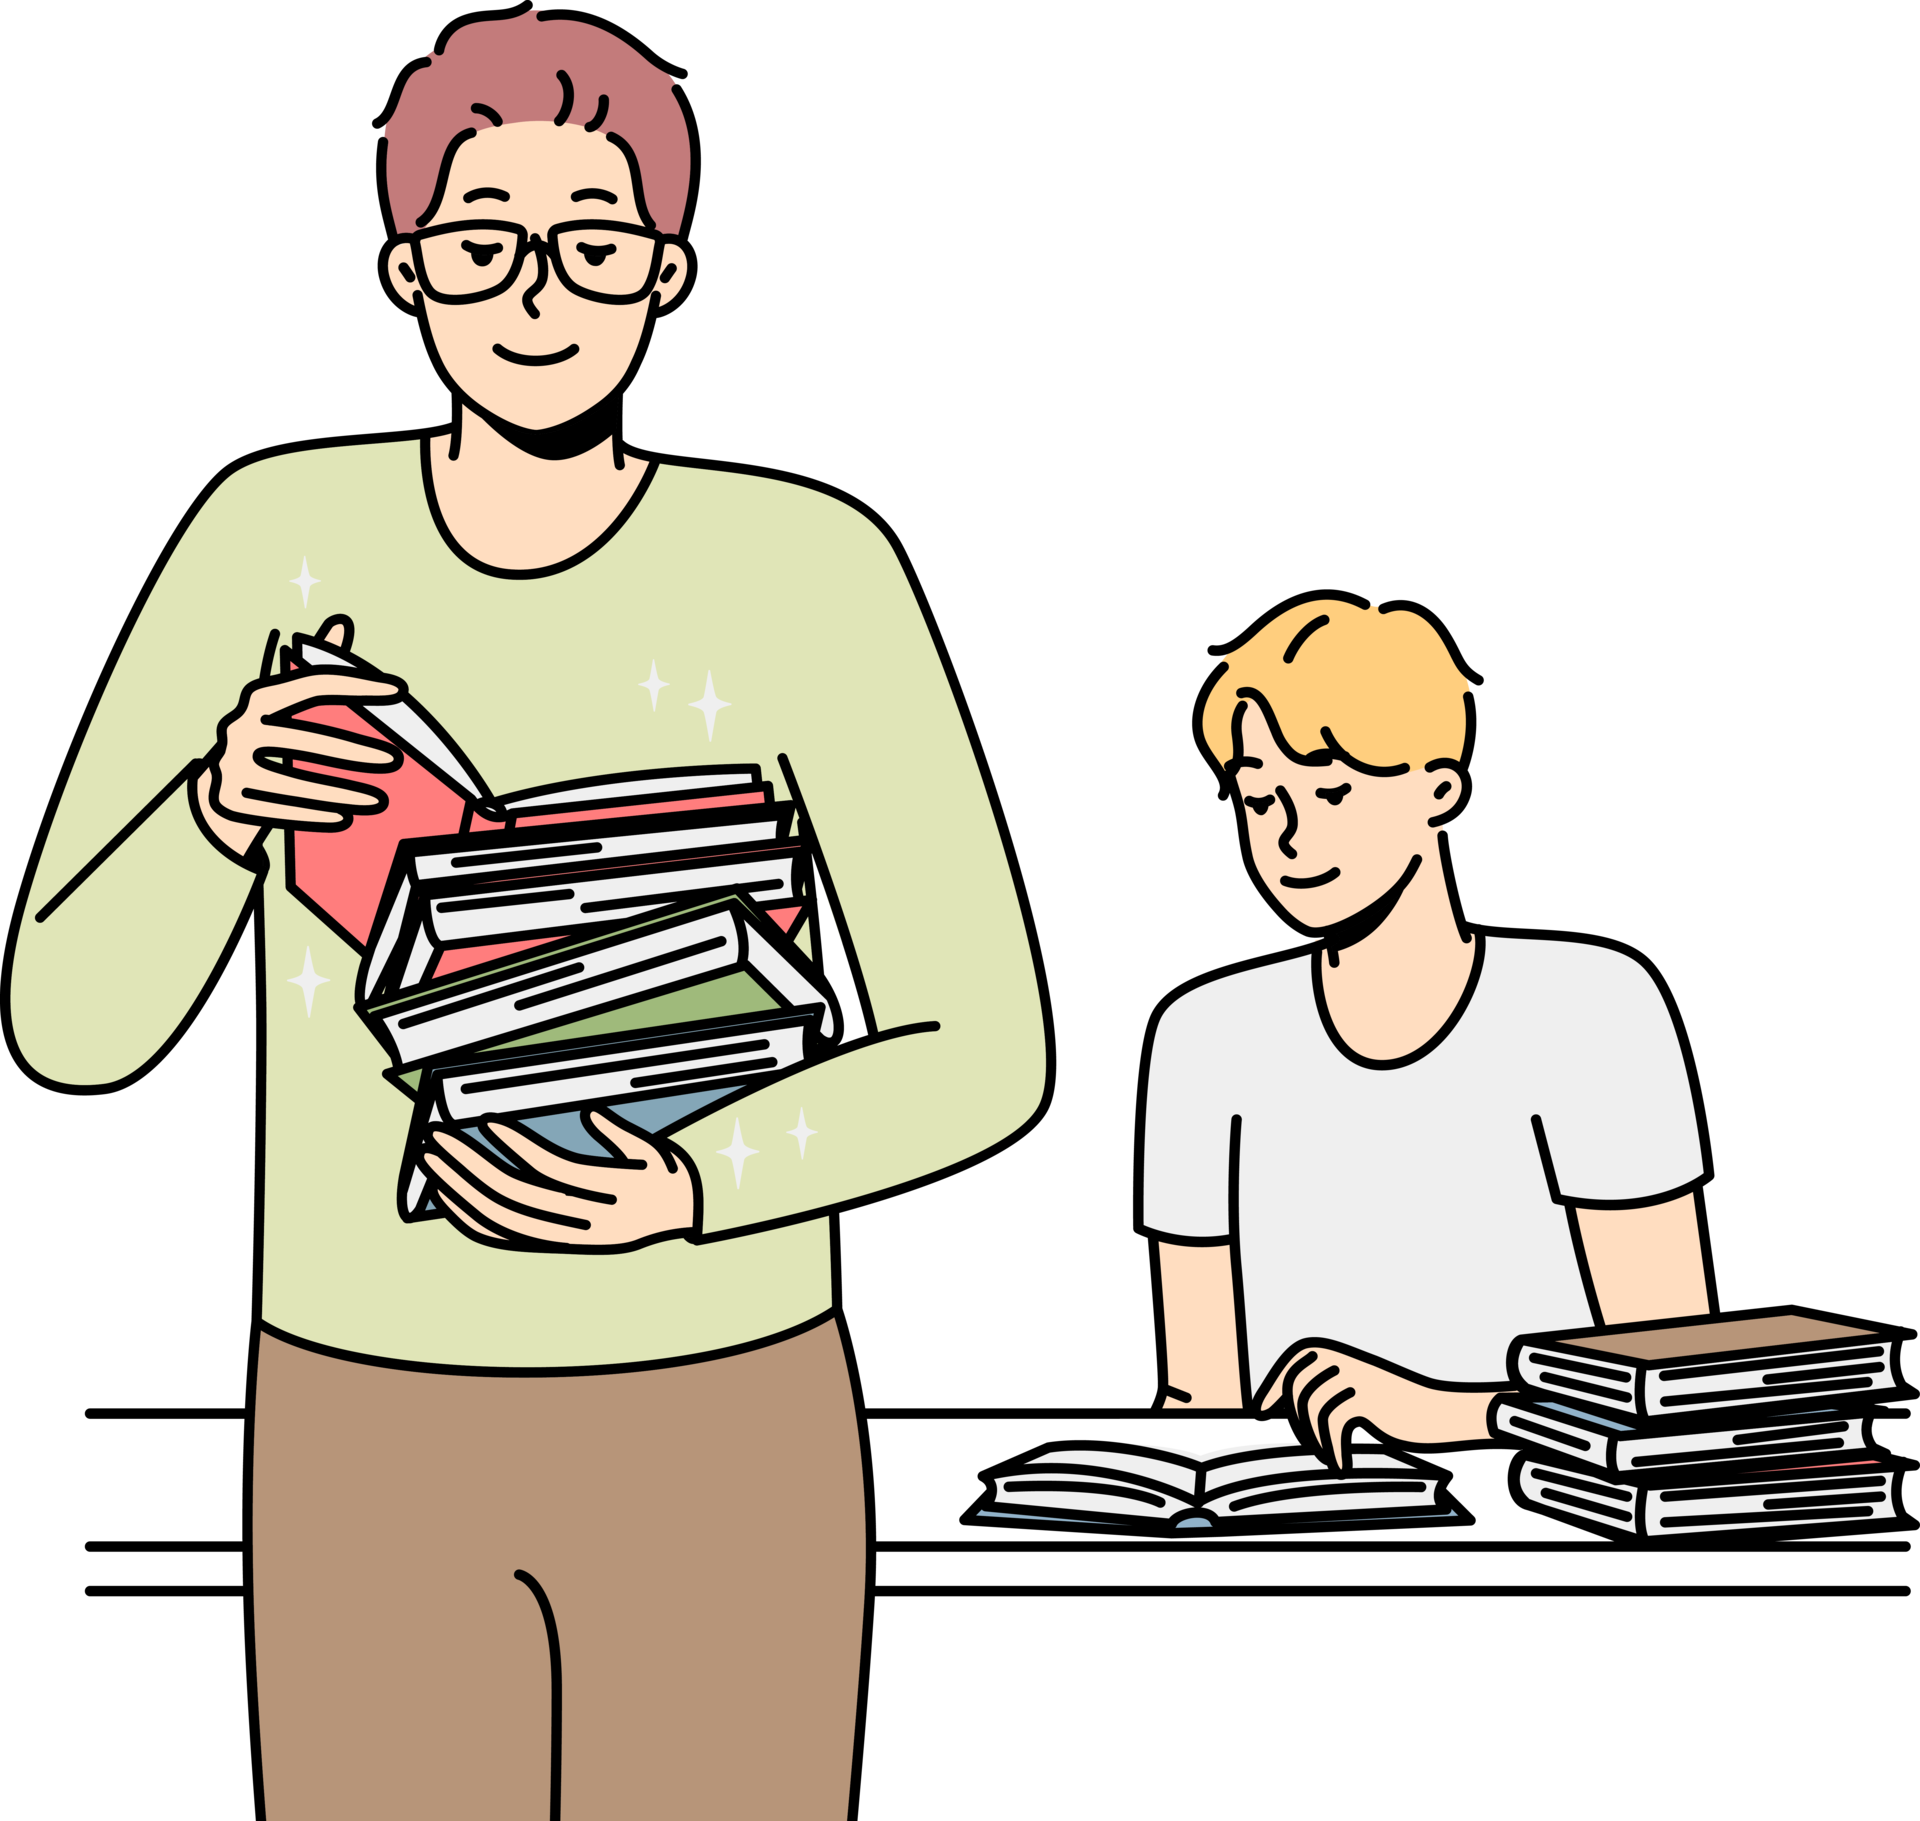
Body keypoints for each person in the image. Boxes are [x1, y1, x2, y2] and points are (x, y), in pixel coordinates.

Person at [11, 14, 1041, 1818]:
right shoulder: (273, 539)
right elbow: (66, 1023)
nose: (539, 294)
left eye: (595, 243)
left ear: (669, 276)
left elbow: (989, 1048)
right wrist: (210, 807)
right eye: (485, 242)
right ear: (407, 273)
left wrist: (697, 1187)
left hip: (729, 1407)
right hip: (360, 1416)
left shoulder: (811, 567)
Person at [1145, 599, 1708, 1465]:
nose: (1290, 836)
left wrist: (1446, 1410)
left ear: (1437, 790)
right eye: (1261, 797)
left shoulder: (1590, 1011)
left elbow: (1672, 1382)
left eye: (1333, 789)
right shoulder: (1205, 1040)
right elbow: (1202, 1394)